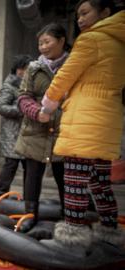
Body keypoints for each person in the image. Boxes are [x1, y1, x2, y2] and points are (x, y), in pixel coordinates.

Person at [40, 0, 125, 253]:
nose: (80, 19)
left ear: (105, 13)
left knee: (75, 179)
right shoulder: (120, 43)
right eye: (78, 15)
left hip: (85, 118)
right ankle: (109, 231)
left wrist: (48, 104)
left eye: (85, 13)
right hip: (107, 120)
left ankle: (71, 239)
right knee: (100, 182)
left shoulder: (92, 40)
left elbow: (66, 74)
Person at [14, 23, 70, 232]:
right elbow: (23, 97)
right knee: (32, 176)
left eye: (47, 42)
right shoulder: (33, 68)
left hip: (64, 131)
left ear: (62, 40)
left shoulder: (75, 65)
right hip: (35, 131)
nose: (43, 47)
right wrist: (37, 112)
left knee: (65, 177)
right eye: (40, 43)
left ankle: (69, 216)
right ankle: (29, 215)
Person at [0, 55, 32, 198]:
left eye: (28, 69)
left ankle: (29, 199)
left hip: (27, 133)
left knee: (29, 167)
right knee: (11, 165)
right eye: (23, 68)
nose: (25, 72)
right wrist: (22, 110)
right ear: (17, 69)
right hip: (12, 133)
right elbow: (0, 107)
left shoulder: (30, 84)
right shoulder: (9, 85)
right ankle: (0, 196)